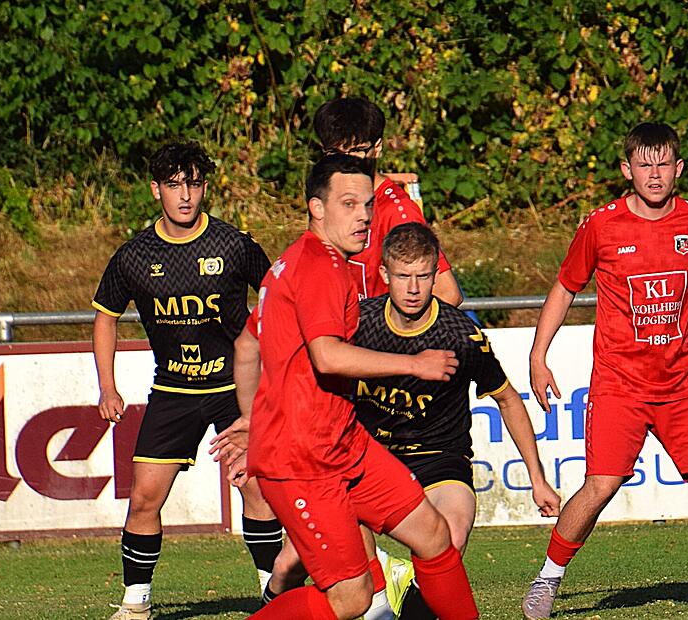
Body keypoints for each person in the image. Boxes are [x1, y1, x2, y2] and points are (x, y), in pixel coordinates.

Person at [214, 154, 478, 620]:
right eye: (349, 204)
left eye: (368, 204)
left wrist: (254, 418)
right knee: (352, 598)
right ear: (317, 208)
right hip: (303, 461)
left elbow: (246, 346)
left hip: (344, 442)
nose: (364, 216)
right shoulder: (319, 266)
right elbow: (327, 355)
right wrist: (414, 364)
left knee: (433, 534)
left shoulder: (294, 261)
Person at [520, 122, 688, 619]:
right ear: (627, 170)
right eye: (644, 165)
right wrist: (538, 356)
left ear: (678, 169)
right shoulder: (601, 225)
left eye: (663, 164)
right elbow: (565, 287)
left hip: (683, 382)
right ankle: (547, 579)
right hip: (620, 384)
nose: (655, 174)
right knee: (600, 486)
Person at [92, 141, 282, 620]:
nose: (185, 195)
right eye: (174, 185)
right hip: (173, 390)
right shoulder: (135, 255)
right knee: (144, 497)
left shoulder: (233, 245)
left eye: (194, 184)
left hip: (234, 390)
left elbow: (279, 297)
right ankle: (136, 603)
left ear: (205, 188)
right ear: (155, 189)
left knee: (256, 487)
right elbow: (105, 317)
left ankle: (273, 594)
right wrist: (107, 387)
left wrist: (274, 367)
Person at [354, 222, 561, 618]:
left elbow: (508, 400)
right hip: (372, 456)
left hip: (439, 457)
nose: (413, 288)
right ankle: (377, 597)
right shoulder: (358, 325)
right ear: (384, 274)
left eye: (422, 276)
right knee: (339, 548)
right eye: (403, 276)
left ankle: (409, 606)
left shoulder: (460, 334)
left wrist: (537, 480)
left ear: (436, 274)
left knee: (449, 539)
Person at [313, 97, 462, 305]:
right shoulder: (327, 198)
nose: (345, 162)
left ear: (377, 148)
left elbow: (447, 293)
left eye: (356, 151)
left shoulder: (396, 212)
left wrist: (386, 324)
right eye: (335, 153)